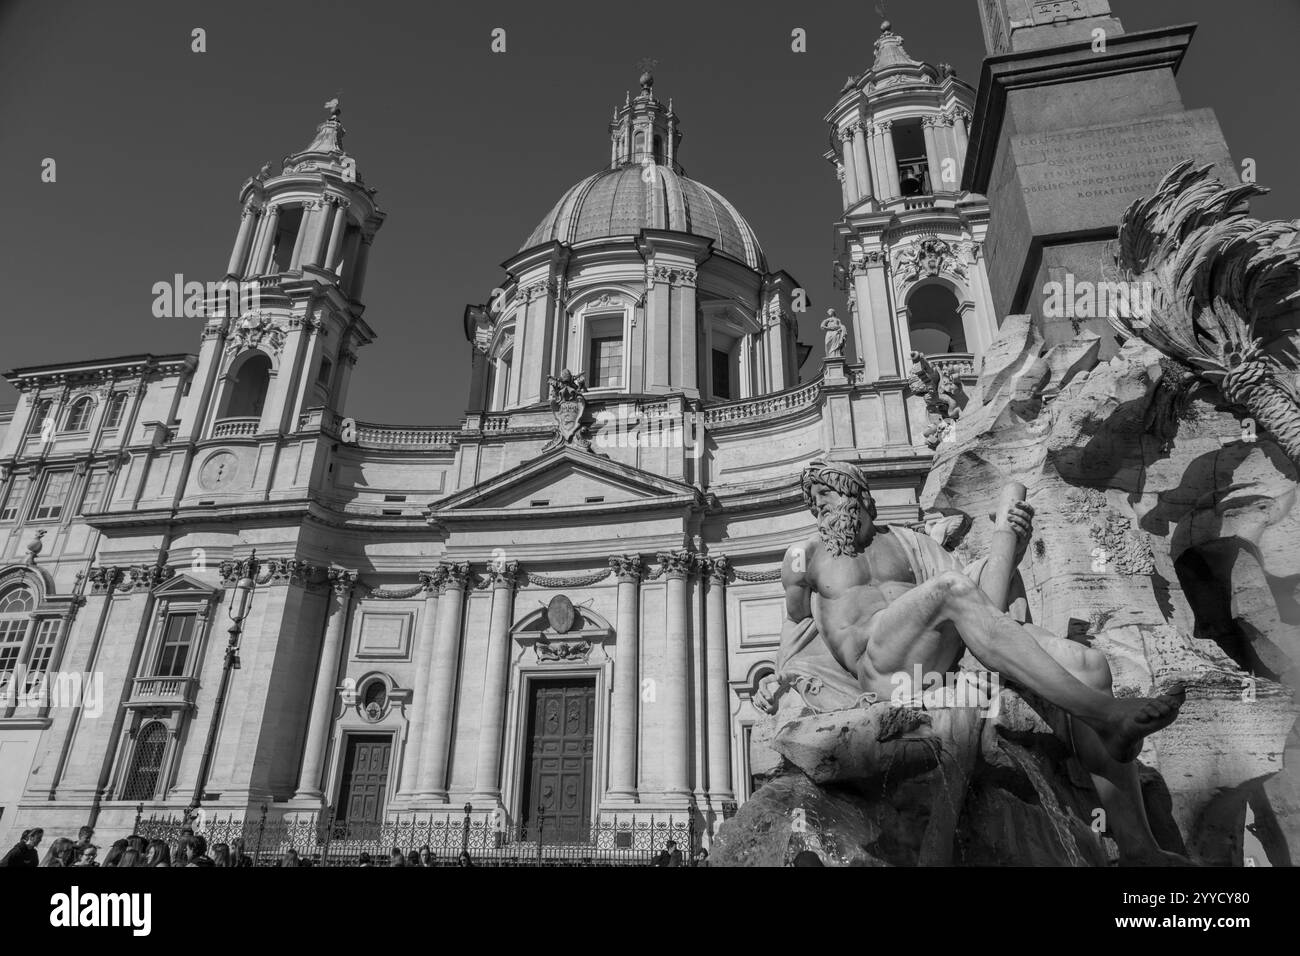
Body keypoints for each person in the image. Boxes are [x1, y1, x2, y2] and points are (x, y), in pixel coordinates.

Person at [760, 460, 1187, 864]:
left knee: (1088, 664)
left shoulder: (912, 544)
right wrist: (782, 679)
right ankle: (1108, 718)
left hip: (941, 657)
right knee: (950, 588)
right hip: (882, 668)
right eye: (815, 502)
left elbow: (984, 603)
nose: (821, 508)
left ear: (861, 497)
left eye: (828, 495)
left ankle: (1138, 849)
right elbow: (797, 624)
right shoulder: (804, 556)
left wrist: (1008, 541)